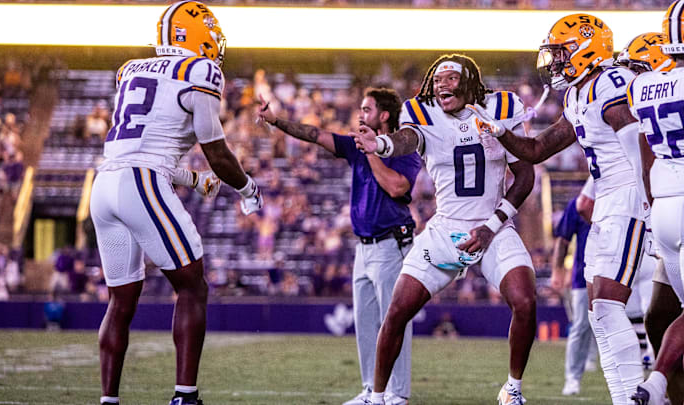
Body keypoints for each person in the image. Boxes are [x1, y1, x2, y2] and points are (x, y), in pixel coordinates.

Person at [465, 13, 654, 405]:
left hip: (629, 196)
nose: (554, 63)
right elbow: (537, 150)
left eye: (561, 53)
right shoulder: (579, 93)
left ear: (586, 48)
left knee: (609, 304)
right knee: (599, 310)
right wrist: (500, 132)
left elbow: (638, 139)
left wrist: (649, 198)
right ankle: (629, 397)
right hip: (609, 200)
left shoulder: (608, 82)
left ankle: (646, 393)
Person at [89, 3, 262, 405]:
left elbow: (143, 150)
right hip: (140, 182)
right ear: (194, 34)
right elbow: (216, 151)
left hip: (105, 183)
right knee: (191, 286)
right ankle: (186, 397)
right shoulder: (200, 72)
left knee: (121, 300)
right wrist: (249, 189)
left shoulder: (131, 69)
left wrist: (191, 179)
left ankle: (108, 401)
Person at [353, 54, 536, 405]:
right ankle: (377, 397)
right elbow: (408, 139)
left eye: (450, 79)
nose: (441, 86)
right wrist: (381, 145)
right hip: (445, 228)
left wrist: (490, 226)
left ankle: (512, 389)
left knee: (526, 300)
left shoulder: (501, 107)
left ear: (469, 83)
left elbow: (525, 176)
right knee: (396, 311)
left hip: (492, 225)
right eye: (437, 81)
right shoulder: (422, 112)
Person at [257, 87, 421, 405]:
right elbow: (315, 134)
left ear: (384, 116)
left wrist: (371, 151)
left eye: (367, 109)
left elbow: (397, 187)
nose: (361, 114)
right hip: (364, 246)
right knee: (365, 322)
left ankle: (397, 393)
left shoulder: (405, 150)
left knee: (396, 320)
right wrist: (275, 120)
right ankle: (371, 390)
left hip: (392, 244)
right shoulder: (354, 146)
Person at [627, 4, 684, 403]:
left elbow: (647, 143)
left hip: (663, 205)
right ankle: (661, 377)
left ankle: (661, 383)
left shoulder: (642, 86)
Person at [551, 179, 597, 396]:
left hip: (621, 273)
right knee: (580, 325)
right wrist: (557, 271)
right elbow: (563, 240)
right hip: (583, 276)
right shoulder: (578, 204)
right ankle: (572, 378)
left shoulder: (619, 198)